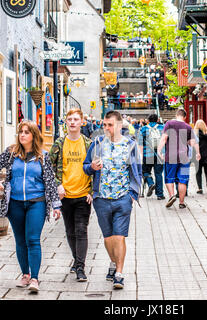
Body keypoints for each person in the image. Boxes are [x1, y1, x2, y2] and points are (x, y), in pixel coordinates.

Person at [0, 120, 62, 293]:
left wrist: (56, 205)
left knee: (33, 240)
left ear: (34, 136)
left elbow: (50, 183)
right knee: (20, 240)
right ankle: (25, 275)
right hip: (15, 204)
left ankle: (35, 278)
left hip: (37, 203)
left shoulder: (43, 156)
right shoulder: (11, 153)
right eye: (21, 131)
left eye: (27, 132)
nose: (22, 135)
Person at [83, 110, 142, 290]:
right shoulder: (98, 143)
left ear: (119, 125)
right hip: (101, 198)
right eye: (104, 124)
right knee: (108, 238)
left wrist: (133, 194)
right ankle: (112, 262)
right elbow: (85, 167)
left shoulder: (130, 145)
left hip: (123, 198)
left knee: (119, 236)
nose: (106, 128)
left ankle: (119, 273)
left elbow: (138, 171)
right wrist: (92, 167)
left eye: (110, 124)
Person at [49, 109, 93, 282]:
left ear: (82, 122)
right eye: (70, 119)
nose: (73, 122)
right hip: (65, 195)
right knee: (70, 231)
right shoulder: (59, 144)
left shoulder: (88, 144)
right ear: (66, 122)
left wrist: (91, 192)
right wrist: (57, 185)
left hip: (83, 195)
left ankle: (80, 267)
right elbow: (48, 168)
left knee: (81, 230)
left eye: (76, 119)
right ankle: (76, 260)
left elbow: (95, 169)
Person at [158, 108, 200, 209]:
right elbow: (192, 143)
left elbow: (164, 138)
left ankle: (172, 196)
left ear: (176, 115)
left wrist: (159, 151)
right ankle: (181, 202)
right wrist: (198, 153)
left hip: (171, 156)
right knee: (183, 180)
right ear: (185, 117)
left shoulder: (169, 124)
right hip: (184, 158)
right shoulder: (188, 127)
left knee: (169, 178)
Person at [139, 114, 165, 200]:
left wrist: (142, 155)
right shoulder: (162, 128)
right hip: (159, 154)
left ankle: (150, 183)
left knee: (145, 171)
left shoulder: (143, 129)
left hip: (148, 154)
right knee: (158, 174)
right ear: (157, 120)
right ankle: (160, 195)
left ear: (148, 120)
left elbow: (140, 144)